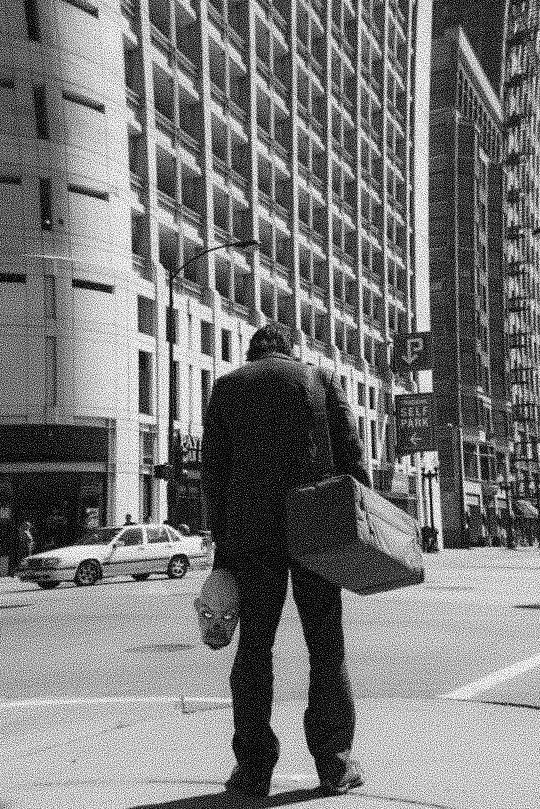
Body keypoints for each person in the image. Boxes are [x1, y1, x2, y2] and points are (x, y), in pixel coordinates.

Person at [202, 324, 371, 798]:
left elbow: (213, 476)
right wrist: (360, 527)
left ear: (253, 352)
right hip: (315, 530)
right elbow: (352, 459)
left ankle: (254, 769)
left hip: (251, 538)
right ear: (290, 351)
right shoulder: (318, 380)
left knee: (254, 650)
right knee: (326, 646)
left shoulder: (227, 388)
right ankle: (334, 764)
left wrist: (223, 549)